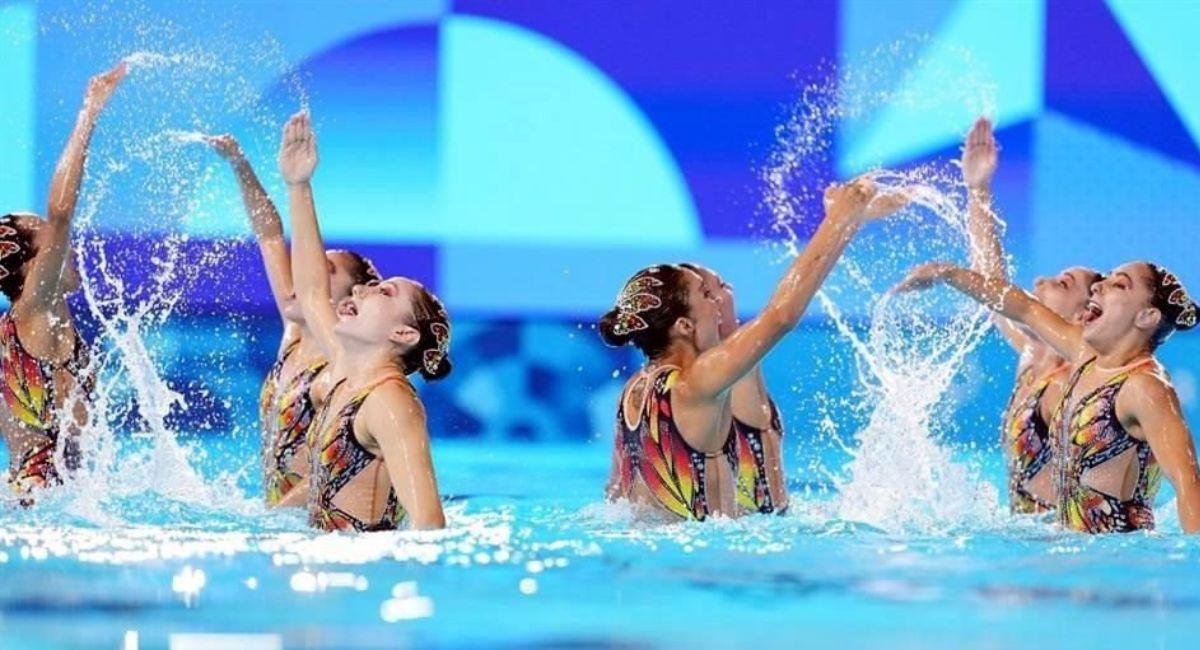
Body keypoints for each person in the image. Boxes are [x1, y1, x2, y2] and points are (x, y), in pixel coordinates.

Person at [602, 176, 908, 521]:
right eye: (706, 294)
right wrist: (838, 219)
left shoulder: (633, 390)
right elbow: (780, 316)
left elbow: (615, 492)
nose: (719, 302)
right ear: (684, 326)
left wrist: (844, 222)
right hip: (703, 552)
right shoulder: (696, 381)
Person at [896, 261, 1200, 533]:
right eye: (1106, 280)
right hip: (1075, 552)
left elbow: (1188, 483)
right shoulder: (1083, 355)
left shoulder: (1145, 387)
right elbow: (1024, 308)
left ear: (1147, 316)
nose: (1099, 286)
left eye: (1119, 285)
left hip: (1120, 562)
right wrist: (947, 273)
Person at [278, 111, 447, 531]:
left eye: (383, 292)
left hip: (369, 569)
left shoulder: (390, 402)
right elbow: (313, 292)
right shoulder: (347, 374)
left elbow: (428, 524)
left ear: (403, 333)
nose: (359, 291)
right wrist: (298, 186)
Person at [204, 134, 380, 507]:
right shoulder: (295, 334)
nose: (303, 275)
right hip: (285, 521)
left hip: (313, 525)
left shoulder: (336, 369)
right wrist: (239, 165)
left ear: (350, 301)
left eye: (321, 270)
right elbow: (269, 236)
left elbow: (350, 464)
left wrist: (276, 517)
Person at [959, 117, 1102, 513]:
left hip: (1061, 545)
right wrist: (978, 190)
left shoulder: (1075, 382)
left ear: (1082, 316)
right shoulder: (1031, 356)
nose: (1041, 280)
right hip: (1026, 538)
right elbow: (993, 286)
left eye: (1063, 283)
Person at [1, 63, 125, 501]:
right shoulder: (36, 310)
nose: (66, 250)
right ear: (30, 267)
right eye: (50, 245)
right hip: (42, 496)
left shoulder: (27, 323)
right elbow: (61, 212)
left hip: (33, 491)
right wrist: (89, 111)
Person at [680, 263, 788, 515]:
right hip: (754, 532)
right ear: (710, 306)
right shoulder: (721, 377)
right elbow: (781, 316)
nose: (729, 288)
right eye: (719, 286)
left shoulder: (696, 380)